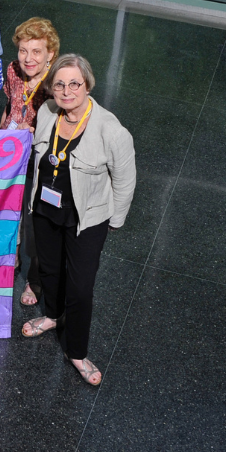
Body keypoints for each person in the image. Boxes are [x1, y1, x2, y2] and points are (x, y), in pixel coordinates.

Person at [21, 54, 136, 387]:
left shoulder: (111, 130)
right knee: (50, 271)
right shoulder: (47, 113)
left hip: (87, 218)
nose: (66, 91)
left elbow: (125, 179)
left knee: (81, 288)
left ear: (87, 85)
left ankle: (77, 351)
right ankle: (53, 315)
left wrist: (116, 219)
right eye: (59, 84)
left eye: (74, 83)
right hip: (45, 209)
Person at [0, 18, 60, 307]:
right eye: (24, 50)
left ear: (50, 54)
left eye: (36, 52)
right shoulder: (12, 70)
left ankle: (34, 280)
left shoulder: (56, 82)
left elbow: (64, 126)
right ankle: (8, 262)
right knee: (8, 209)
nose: (28, 58)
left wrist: (35, 132)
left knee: (36, 218)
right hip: (10, 153)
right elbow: (11, 106)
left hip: (39, 158)